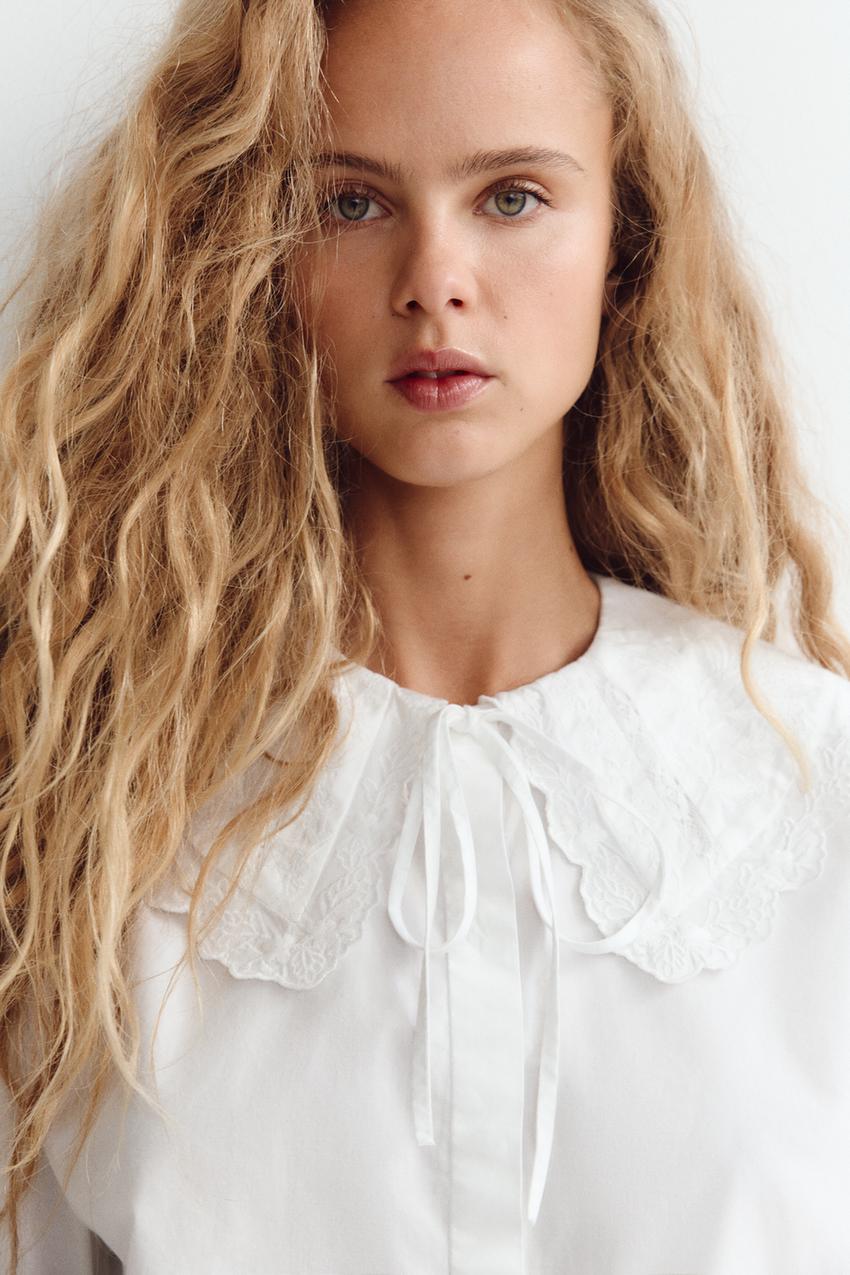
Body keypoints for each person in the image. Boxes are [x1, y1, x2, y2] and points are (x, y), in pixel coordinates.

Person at [2, 0, 849, 1270]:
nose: (434, 280)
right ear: (251, 257)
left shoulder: (809, 787)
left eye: (511, 197)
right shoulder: (99, 825)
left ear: (624, 243)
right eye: (349, 203)